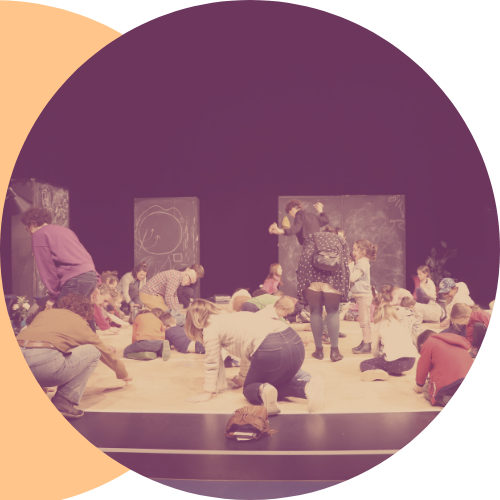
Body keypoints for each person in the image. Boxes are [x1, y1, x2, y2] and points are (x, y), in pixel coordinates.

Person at [184, 299, 324, 414]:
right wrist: (242, 377)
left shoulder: (210, 328)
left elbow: (212, 362)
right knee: (274, 381)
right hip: (295, 342)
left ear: (194, 321)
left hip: (272, 346)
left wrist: (207, 393)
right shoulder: (233, 316)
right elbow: (246, 352)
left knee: (250, 389)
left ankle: (263, 389)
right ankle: (307, 387)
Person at [17, 293, 131, 419]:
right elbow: (104, 352)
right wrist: (123, 374)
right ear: (85, 312)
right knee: (93, 351)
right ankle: (63, 401)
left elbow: (35, 344)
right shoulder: (79, 322)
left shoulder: (44, 314)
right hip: (46, 364)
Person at [292, 226, 350, 362]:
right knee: (333, 312)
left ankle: (318, 352)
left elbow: (304, 259)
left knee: (315, 312)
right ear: (335, 233)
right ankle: (335, 352)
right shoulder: (340, 240)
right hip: (333, 277)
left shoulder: (311, 237)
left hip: (311, 278)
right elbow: (345, 264)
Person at [20, 207, 97, 308]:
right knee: (79, 315)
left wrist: (53, 297)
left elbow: (47, 268)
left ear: (33, 223)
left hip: (74, 279)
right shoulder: (66, 231)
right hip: (91, 276)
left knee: (62, 315)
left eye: (27, 228)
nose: (29, 232)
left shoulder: (39, 234)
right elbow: (83, 255)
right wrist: (96, 279)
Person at [413, 329, 473, 406]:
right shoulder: (453, 340)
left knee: (426, 389)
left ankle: (446, 399)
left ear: (422, 346)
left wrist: (419, 386)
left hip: (453, 385)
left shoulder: (429, 342)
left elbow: (422, 368)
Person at [360, 304, 417, 381]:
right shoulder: (400, 325)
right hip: (411, 361)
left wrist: (378, 359)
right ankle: (394, 370)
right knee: (392, 360)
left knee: (364, 364)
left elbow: (375, 349)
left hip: (395, 362)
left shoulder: (378, 326)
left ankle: (379, 371)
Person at [349, 239, 378, 354]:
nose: (353, 252)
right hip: (361, 296)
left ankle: (367, 344)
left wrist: (350, 265)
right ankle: (366, 342)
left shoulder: (362, 263)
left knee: (364, 322)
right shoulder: (362, 262)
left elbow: (352, 278)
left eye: (356, 250)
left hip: (363, 296)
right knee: (363, 321)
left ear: (364, 251)